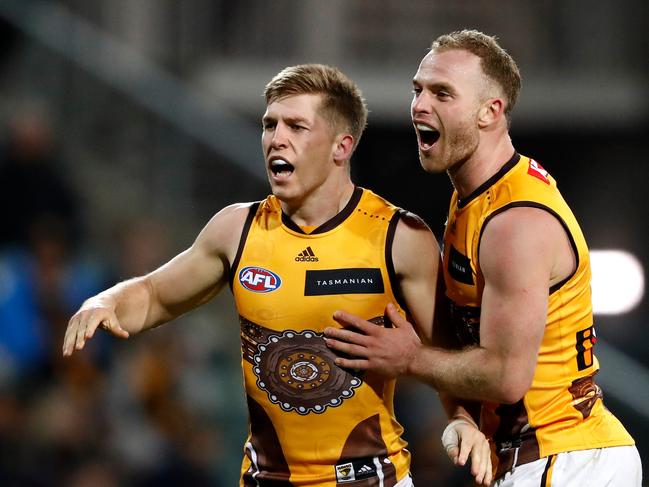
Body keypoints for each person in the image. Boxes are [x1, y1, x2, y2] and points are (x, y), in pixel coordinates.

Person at [62, 64, 492, 486]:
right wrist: (106, 301)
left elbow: (448, 352)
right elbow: (155, 295)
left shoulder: (399, 237)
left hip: (370, 479)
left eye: (296, 127)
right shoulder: (236, 231)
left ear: (341, 147)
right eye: (270, 125)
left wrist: (462, 420)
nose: (276, 139)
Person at [323, 30, 642, 486]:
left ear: (490, 112)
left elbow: (507, 375)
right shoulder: (475, 198)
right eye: (418, 89)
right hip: (546, 456)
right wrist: (464, 418)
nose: (419, 105)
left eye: (442, 93)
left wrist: (409, 359)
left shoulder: (515, 223)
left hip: (564, 459)